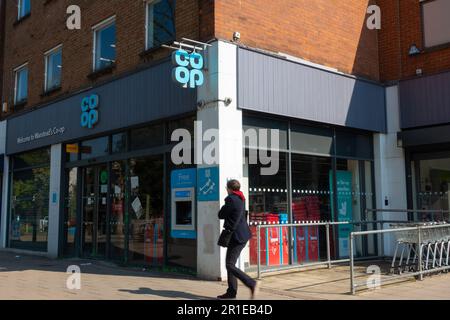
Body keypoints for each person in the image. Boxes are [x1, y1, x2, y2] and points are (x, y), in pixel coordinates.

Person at [217, 179, 259, 300]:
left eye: (227, 188)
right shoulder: (241, 198)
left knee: (229, 264)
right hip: (242, 234)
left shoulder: (231, 199)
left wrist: (225, 206)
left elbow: (221, 215)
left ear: (229, 189)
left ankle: (251, 283)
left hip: (236, 236)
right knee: (230, 264)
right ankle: (231, 292)